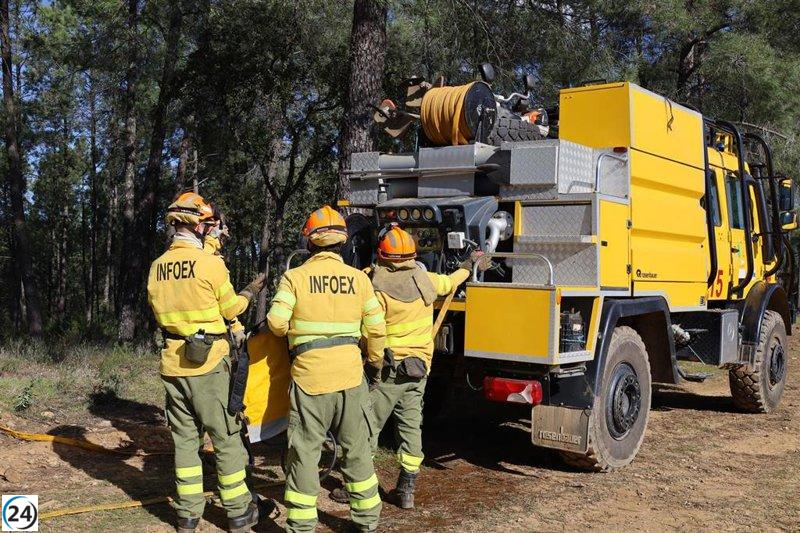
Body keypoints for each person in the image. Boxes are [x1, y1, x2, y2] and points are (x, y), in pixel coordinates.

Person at [147, 192, 266, 532]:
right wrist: (250, 291)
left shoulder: (157, 268)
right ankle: (240, 513)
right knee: (226, 438)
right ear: (199, 225)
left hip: (173, 364)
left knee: (185, 442)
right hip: (209, 365)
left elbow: (165, 308)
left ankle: (187, 515)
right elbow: (231, 310)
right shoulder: (210, 264)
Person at [267, 205, 386, 533]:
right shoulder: (359, 280)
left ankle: (302, 526)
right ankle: (367, 523)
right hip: (350, 378)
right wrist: (373, 365)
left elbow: (276, 323)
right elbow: (376, 331)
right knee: (357, 451)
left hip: (310, 380)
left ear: (310, 242)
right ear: (342, 242)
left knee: (304, 453)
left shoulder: (295, 277)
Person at [364, 225, 486, 509]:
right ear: (412, 255)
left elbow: (371, 331)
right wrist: (470, 264)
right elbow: (451, 281)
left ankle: (361, 486)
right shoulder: (425, 280)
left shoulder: (374, 285)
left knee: (367, 425)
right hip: (419, 369)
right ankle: (406, 490)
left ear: (382, 255)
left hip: (388, 369)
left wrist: (371, 363)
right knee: (410, 427)